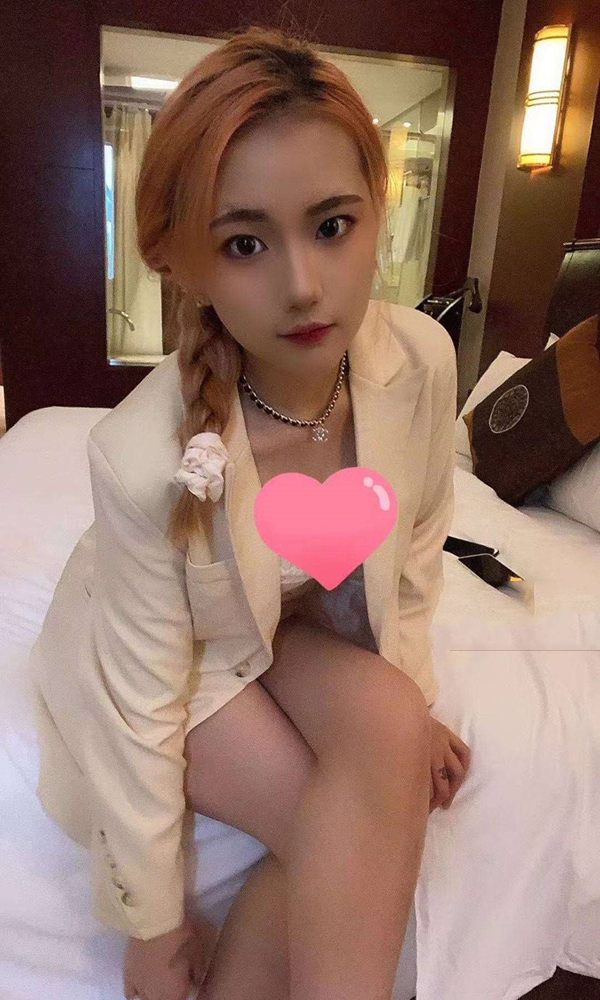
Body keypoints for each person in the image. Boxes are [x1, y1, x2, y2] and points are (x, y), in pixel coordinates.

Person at [28, 23, 471, 1000]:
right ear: (181, 262)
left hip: (290, 626)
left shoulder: (423, 363)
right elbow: (144, 702)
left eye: (332, 225)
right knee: (337, 817)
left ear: (380, 212)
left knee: (394, 721)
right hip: (182, 653)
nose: (304, 286)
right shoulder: (141, 454)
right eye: (244, 243)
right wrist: (149, 922)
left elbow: (417, 551)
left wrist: (410, 703)